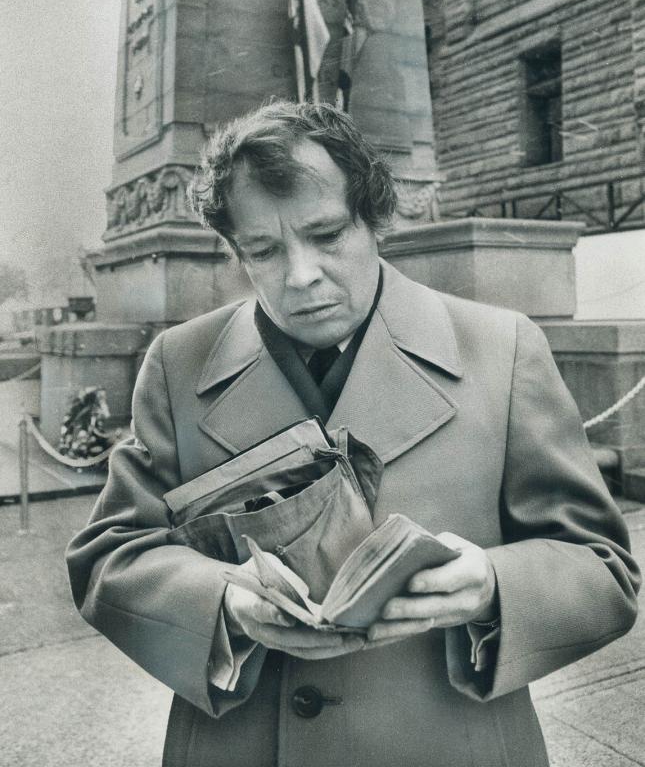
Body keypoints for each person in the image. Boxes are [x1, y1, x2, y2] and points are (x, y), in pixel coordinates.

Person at [67, 100, 639, 767]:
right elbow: (110, 557)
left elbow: (604, 571)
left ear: (375, 220)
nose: (301, 275)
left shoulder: (501, 348)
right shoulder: (178, 362)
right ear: (234, 251)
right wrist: (219, 600)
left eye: (327, 235)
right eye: (263, 250)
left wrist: (491, 585)